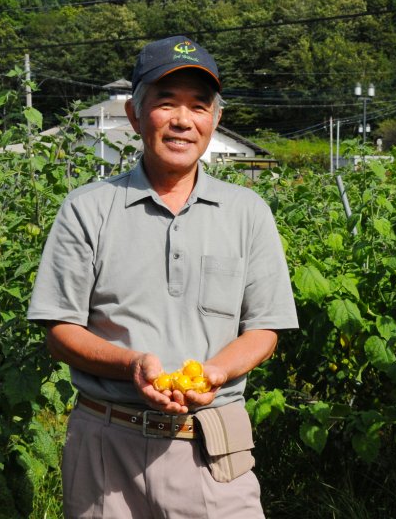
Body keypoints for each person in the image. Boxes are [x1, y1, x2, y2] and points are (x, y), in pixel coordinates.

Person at [27, 35, 298, 518]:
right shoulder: (88, 209)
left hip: (214, 448)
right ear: (135, 116)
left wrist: (218, 371)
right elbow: (60, 329)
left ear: (214, 120)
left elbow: (265, 328)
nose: (182, 120)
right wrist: (131, 364)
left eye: (198, 106)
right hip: (106, 448)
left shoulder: (247, 212)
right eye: (165, 103)